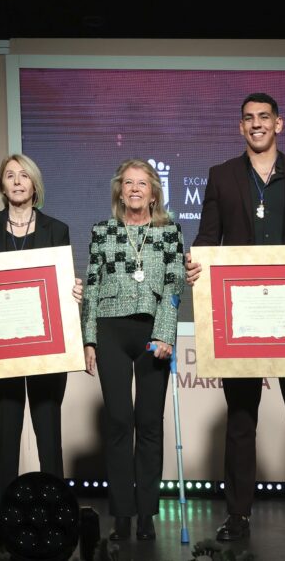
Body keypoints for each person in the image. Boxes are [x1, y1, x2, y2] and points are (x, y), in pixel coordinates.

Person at [185, 93, 285, 544]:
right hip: (241, 319)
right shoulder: (221, 177)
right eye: (248, 119)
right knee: (240, 420)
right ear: (240, 128)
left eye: (264, 118)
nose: (256, 125)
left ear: (279, 123)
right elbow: (205, 239)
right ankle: (238, 516)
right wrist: (195, 263)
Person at [0, 154, 82, 508]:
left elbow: (61, 284)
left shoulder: (56, 228)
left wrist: (74, 291)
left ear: (34, 184)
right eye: (9, 175)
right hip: (2, 350)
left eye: (24, 175)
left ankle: (56, 513)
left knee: (48, 436)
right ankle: (4, 518)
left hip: (45, 348)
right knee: (6, 437)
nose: (17, 181)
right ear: (2, 185)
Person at [82, 158, 185, 541]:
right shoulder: (102, 231)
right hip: (110, 330)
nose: (135, 189)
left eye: (143, 183)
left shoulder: (170, 231)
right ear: (120, 190)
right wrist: (89, 338)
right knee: (120, 423)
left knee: (150, 425)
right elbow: (91, 286)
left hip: (151, 334)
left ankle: (147, 514)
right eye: (128, 183)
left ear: (154, 191)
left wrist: (165, 335)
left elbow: (175, 286)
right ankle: (122, 514)